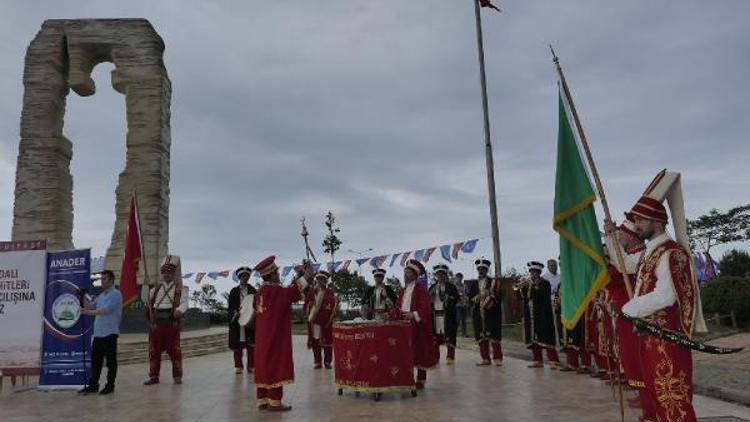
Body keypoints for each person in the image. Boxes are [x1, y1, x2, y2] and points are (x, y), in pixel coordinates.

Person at [621, 196, 699, 422]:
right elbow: (624, 264)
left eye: (641, 220)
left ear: (658, 221)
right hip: (650, 338)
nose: (637, 225)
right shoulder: (649, 253)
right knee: (658, 399)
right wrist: (609, 236)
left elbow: (667, 295)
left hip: (667, 341)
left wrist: (630, 308)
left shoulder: (670, 253)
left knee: (673, 400)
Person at [253, 256, 311, 412]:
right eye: (276, 272)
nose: (278, 274)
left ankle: (262, 399)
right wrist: (306, 274)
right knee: (275, 365)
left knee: (263, 365)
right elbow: (295, 290)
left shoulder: (259, 293)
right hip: (275, 337)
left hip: (262, 337)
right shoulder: (276, 292)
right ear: (271, 274)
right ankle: (274, 402)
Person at [143, 255, 188, 385]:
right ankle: (154, 376)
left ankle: (177, 376)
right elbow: (145, 300)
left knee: (175, 351)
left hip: (171, 323)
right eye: (165, 272)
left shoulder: (181, 289)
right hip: (156, 324)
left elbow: (185, 302)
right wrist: (145, 286)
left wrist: (180, 310)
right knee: (154, 351)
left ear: (174, 273)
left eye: (169, 272)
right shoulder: (154, 289)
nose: (167, 274)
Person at [78, 270, 123, 395]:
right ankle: (93, 385)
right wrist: (82, 296)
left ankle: (110, 385)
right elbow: (91, 306)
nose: (102, 281)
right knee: (96, 362)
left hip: (110, 333)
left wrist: (87, 313)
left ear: (111, 280)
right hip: (98, 333)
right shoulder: (102, 295)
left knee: (110, 362)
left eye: (105, 279)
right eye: (101, 279)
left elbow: (104, 311)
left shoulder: (115, 294)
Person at [396, 259, 438, 389]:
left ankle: (420, 380)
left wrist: (413, 315)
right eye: (405, 272)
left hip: (417, 326)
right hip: (403, 325)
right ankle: (407, 378)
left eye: (408, 273)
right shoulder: (403, 291)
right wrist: (391, 313)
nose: (405, 275)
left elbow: (425, 308)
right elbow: (398, 305)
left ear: (414, 275)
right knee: (405, 353)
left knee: (419, 351)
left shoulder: (421, 290)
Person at [520, 261, 560, 369]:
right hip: (531, 315)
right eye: (531, 272)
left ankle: (553, 360)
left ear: (539, 273)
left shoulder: (545, 283)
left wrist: (531, 287)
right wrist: (522, 288)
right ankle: (537, 360)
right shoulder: (528, 284)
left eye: (534, 272)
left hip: (543, 315)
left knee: (546, 337)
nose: (532, 274)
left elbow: (540, 295)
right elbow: (523, 297)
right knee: (534, 339)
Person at [467, 258, 503, 366]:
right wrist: (475, 298)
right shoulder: (473, 284)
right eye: (479, 269)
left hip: (491, 313)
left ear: (487, 270)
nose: (481, 271)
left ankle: (497, 358)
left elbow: (499, 296)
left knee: (493, 336)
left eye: (483, 269)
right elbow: (470, 298)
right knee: (481, 337)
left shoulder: (493, 282)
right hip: (478, 313)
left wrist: (491, 295)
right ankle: (485, 358)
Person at [304, 270, 337, 369]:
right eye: (318, 279)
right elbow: (306, 304)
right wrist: (310, 307)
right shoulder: (312, 292)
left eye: (322, 279)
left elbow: (331, 306)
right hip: (314, 322)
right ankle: (317, 361)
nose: (320, 281)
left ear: (326, 281)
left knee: (327, 343)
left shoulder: (330, 293)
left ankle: (327, 362)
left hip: (326, 322)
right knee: (315, 341)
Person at [227, 266, 257, 374]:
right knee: (237, 345)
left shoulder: (253, 290)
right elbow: (230, 307)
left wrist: (253, 316)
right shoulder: (234, 291)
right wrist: (234, 313)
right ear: (239, 277)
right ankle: (238, 366)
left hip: (250, 321)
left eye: (247, 276)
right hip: (237, 322)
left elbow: (256, 305)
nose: (245, 278)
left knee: (251, 345)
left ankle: (251, 366)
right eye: (243, 276)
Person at [428, 264, 459, 364]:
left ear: (446, 275)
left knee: (449, 335)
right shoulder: (432, 287)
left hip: (447, 315)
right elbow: (427, 301)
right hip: (435, 315)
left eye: (442, 274)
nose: (440, 276)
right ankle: (435, 358)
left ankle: (450, 357)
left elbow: (456, 299)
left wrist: (448, 298)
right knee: (435, 337)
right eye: (438, 274)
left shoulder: (451, 287)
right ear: (436, 275)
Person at [454, 273, 468, 337]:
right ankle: (455, 332)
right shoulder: (454, 286)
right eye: (458, 277)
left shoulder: (464, 286)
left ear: (462, 278)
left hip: (464, 304)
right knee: (457, 319)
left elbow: (467, 293)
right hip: (457, 305)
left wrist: (466, 299)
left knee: (464, 320)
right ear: (456, 278)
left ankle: (464, 333)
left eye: (460, 277)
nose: (459, 279)